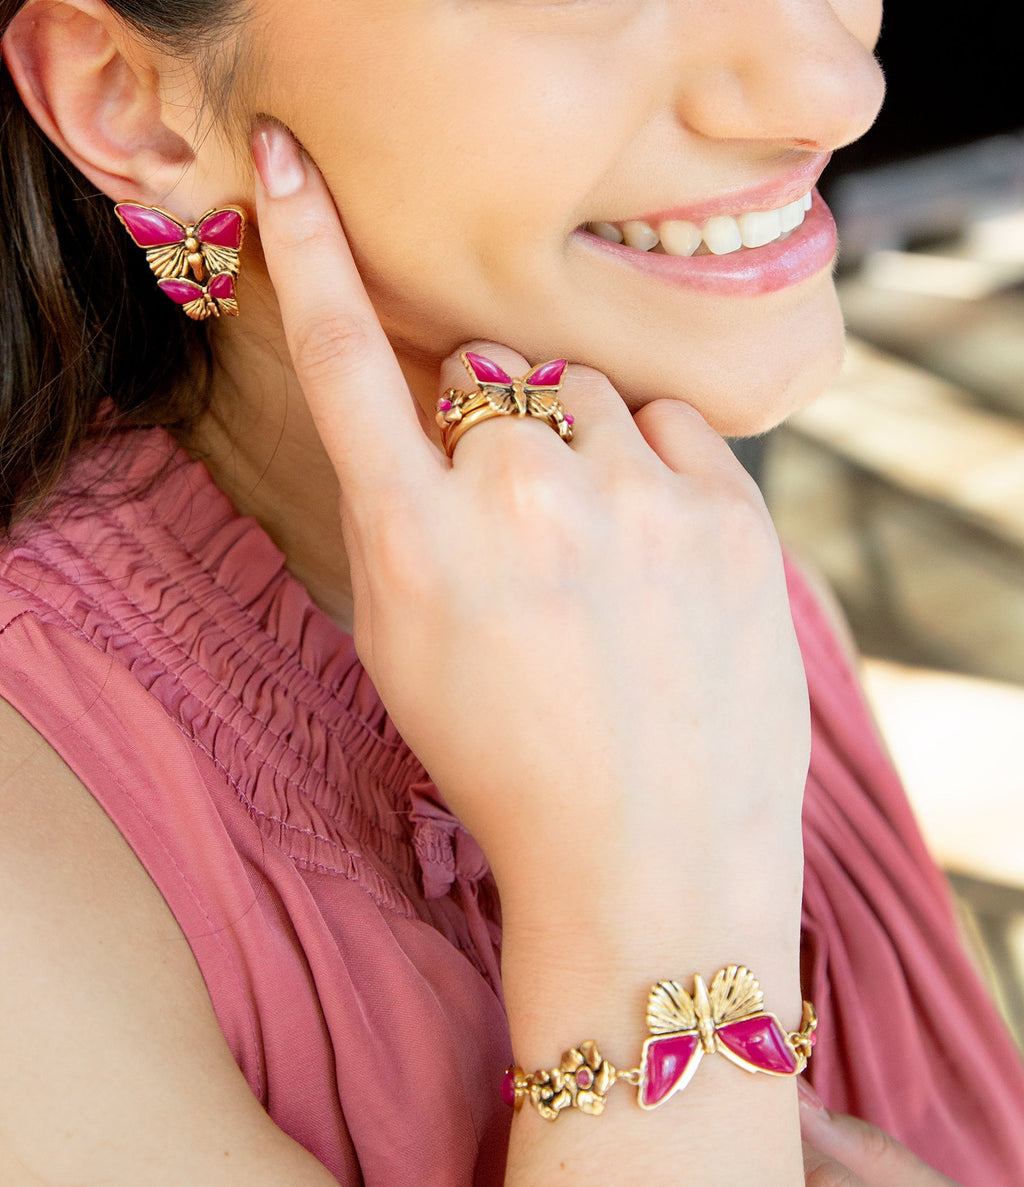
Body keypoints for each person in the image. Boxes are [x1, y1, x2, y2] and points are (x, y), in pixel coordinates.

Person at [0, 1, 1021, 1183]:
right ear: (130, 100)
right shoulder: (37, 894)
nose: (836, 85)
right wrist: (656, 968)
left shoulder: (703, 582)